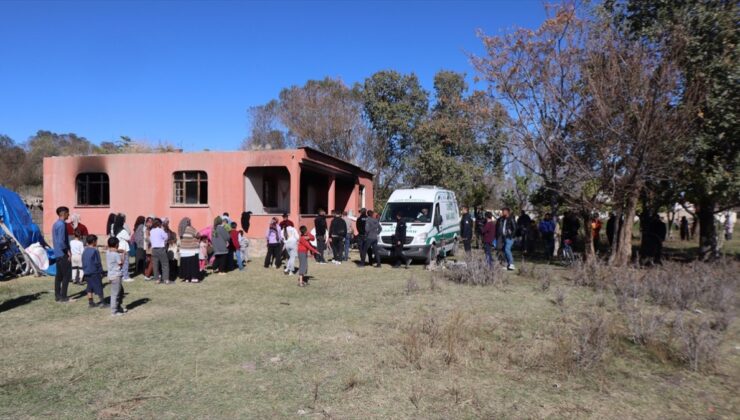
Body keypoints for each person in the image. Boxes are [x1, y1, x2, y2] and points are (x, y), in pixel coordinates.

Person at [52, 206, 72, 303]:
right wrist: (67, 252)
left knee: (59, 276)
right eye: (68, 213)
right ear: (64, 213)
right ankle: (63, 296)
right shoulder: (61, 225)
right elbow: (61, 241)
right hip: (62, 253)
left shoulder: (55, 224)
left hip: (57, 253)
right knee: (66, 276)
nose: (69, 215)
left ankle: (57, 296)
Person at [81, 235, 106, 308]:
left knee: (89, 287)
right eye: (96, 241)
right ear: (93, 242)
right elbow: (98, 262)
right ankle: (102, 302)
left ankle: (91, 302)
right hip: (94, 272)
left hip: (86, 271)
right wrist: (101, 272)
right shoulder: (95, 251)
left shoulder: (85, 250)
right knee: (99, 286)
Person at [178, 217, 202, 283]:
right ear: (188, 222)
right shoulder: (191, 229)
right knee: (193, 265)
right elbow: (198, 235)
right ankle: (194, 278)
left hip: (183, 250)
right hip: (192, 250)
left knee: (186, 265)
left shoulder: (181, 230)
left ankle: (187, 278)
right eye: (190, 221)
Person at [106, 237, 125, 316]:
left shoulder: (108, 252)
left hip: (111, 275)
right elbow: (121, 264)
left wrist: (119, 250)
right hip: (116, 276)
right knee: (115, 294)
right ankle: (114, 311)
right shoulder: (116, 255)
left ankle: (118, 307)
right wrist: (123, 255)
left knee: (120, 291)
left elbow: (111, 250)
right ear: (117, 244)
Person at [150, 218, 171, 284]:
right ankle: (166, 279)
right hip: (161, 249)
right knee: (165, 264)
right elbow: (166, 237)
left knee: (155, 265)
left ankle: (157, 279)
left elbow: (151, 239)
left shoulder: (151, 231)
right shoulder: (161, 230)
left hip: (154, 249)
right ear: (159, 224)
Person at [113, 214, 132, 282]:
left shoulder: (115, 228)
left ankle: (121, 275)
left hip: (118, 247)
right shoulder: (122, 230)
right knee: (125, 263)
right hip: (124, 248)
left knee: (120, 263)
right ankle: (125, 276)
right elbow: (128, 238)